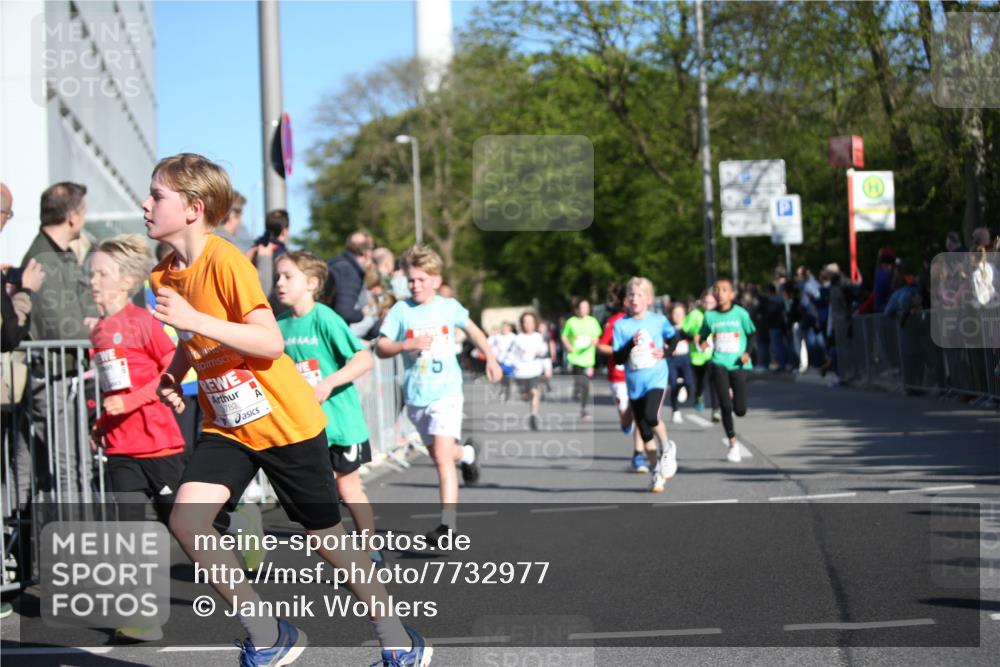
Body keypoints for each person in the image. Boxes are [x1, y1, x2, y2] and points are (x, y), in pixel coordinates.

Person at [146, 154, 430, 667]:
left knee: (328, 542)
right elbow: (194, 338)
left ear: (193, 208)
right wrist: (175, 371)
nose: (145, 204)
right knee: (187, 521)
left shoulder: (225, 260)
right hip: (229, 426)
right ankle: (269, 631)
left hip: (284, 422)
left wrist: (194, 320)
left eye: (156, 196)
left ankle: (397, 637)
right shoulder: (162, 276)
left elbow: (269, 342)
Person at [376, 244, 501, 545]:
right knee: (440, 455)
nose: (415, 285)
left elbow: (474, 331)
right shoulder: (401, 311)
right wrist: (405, 345)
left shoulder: (449, 307)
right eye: (411, 280)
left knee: (442, 457)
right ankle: (468, 454)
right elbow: (381, 347)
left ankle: (448, 527)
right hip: (416, 395)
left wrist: (491, 358)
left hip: (446, 393)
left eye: (421, 279)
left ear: (435, 279)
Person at [274, 250, 384, 565]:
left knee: (348, 487)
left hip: (341, 424)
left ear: (311, 282)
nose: (279, 283)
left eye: (287, 276)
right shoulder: (278, 325)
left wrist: (327, 383)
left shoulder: (324, 318)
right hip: (306, 426)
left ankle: (369, 548)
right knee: (322, 493)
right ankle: (341, 553)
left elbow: (363, 358)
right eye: (278, 276)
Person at [19, 181, 98, 499]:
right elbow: (63, 329)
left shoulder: (59, 256)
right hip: (53, 379)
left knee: (75, 466)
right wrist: (102, 330)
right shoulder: (44, 260)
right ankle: (75, 546)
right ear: (73, 217)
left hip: (64, 377)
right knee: (68, 468)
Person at [612, 277, 679, 494]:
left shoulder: (658, 321)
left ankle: (668, 447)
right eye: (631, 294)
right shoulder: (621, 325)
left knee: (652, 416)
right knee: (645, 433)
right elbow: (618, 358)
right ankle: (656, 472)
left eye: (639, 294)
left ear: (648, 299)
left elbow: (674, 337)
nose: (634, 298)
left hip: (656, 378)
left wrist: (667, 351)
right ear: (626, 299)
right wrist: (630, 343)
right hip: (634, 384)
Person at [696, 279, 757, 464]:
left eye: (724, 290)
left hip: (738, 364)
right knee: (725, 406)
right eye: (716, 290)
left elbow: (752, 333)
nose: (720, 292)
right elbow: (702, 335)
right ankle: (732, 443)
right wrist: (703, 342)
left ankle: (733, 395)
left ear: (731, 294)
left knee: (740, 410)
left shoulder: (740, 314)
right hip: (718, 363)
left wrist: (747, 353)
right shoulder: (709, 316)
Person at [597, 283, 644, 472]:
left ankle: (638, 455)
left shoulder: (646, 320)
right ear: (626, 301)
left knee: (640, 413)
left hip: (640, 372)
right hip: (618, 375)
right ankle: (625, 420)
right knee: (628, 415)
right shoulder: (615, 321)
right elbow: (601, 346)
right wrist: (621, 351)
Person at [561, 298, 602, 421]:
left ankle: (583, 409)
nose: (584, 310)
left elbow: (597, 337)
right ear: (577, 309)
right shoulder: (571, 322)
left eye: (587, 307)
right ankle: (576, 389)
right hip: (575, 358)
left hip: (588, 358)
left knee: (586, 384)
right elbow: (564, 336)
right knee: (579, 382)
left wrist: (595, 341)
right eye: (582, 307)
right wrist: (568, 346)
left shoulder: (593, 321)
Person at [326, 229, 373, 325]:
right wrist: (362, 313)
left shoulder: (335, 263)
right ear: (367, 252)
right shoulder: (349, 272)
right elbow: (344, 312)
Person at [512, 312, 548, 431]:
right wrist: (515, 365)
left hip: (534, 370)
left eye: (531, 322)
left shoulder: (538, 337)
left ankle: (533, 416)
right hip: (521, 372)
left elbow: (544, 354)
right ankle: (526, 397)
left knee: (535, 393)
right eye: (525, 322)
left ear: (534, 323)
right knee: (525, 396)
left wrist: (548, 368)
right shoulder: (517, 338)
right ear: (522, 324)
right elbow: (512, 356)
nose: (528, 324)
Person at [685, 289, 717, 419]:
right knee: (700, 383)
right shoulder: (694, 315)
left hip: (714, 355)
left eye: (711, 302)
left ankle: (716, 410)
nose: (708, 304)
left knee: (715, 383)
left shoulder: (718, 315)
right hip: (697, 356)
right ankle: (698, 395)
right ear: (701, 302)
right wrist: (694, 336)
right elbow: (683, 331)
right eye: (706, 302)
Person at [667, 303, 695, 424]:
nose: (677, 316)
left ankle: (683, 386)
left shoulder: (686, 328)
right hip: (672, 360)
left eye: (680, 313)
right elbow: (663, 341)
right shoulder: (667, 329)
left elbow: (692, 337)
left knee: (689, 382)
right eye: (675, 313)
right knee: (673, 385)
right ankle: (675, 411)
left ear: (684, 315)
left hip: (685, 359)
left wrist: (683, 331)